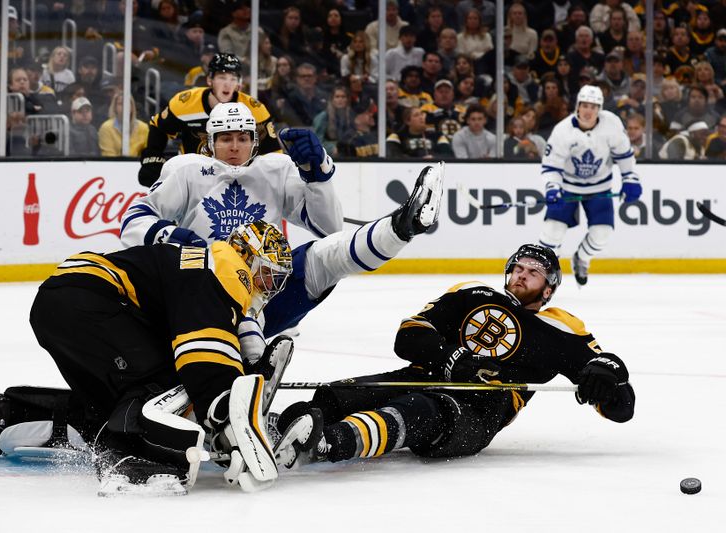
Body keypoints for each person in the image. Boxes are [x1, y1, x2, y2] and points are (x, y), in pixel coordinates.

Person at [0, 220, 296, 494]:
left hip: (67, 302)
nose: (269, 288)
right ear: (245, 257)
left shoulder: (203, 271)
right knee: (155, 385)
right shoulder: (217, 270)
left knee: (110, 410)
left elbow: (207, 343)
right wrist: (225, 409)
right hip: (89, 301)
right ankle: (125, 460)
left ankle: (10, 416)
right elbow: (204, 355)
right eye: (267, 276)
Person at [120, 101, 445, 354]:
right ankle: (252, 355)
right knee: (238, 315)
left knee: (326, 256)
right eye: (226, 138)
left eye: (243, 138)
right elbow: (134, 220)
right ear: (209, 142)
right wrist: (172, 237)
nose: (235, 147)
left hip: (267, 288)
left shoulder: (275, 169)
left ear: (255, 141)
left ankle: (401, 226)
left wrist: (318, 176)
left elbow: (329, 228)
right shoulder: (187, 170)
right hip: (203, 290)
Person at [273, 244, 635, 469]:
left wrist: (608, 374)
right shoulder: (472, 294)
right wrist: (453, 358)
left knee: (419, 410)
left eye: (533, 272)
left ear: (549, 286)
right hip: (425, 375)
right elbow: (409, 335)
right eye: (517, 268)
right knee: (337, 395)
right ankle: (275, 429)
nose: (521, 276)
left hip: (482, 408)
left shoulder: (560, 328)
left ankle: (326, 443)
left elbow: (619, 402)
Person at [537, 84, 642, 286]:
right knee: (552, 230)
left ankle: (582, 258)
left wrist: (630, 179)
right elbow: (551, 166)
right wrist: (552, 188)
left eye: (593, 106)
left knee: (602, 233)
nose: (588, 110)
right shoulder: (562, 131)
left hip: (599, 189)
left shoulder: (611, 124)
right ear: (578, 106)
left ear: (599, 108)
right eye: (585, 105)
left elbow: (625, 156)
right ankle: (543, 271)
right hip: (568, 187)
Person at [138, 53, 278, 187]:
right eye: (222, 77)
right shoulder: (185, 103)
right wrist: (153, 157)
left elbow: (273, 154)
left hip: (238, 181)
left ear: (239, 83)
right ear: (210, 80)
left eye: (233, 79)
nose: (227, 84)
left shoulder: (255, 110)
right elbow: (158, 126)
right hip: (193, 181)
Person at [98, 91, 149, 157]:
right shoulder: (106, 128)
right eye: (120, 104)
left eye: (127, 103)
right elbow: (108, 156)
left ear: (132, 106)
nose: (125, 106)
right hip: (114, 165)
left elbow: (148, 153)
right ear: (115, 107)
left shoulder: (143, 127)